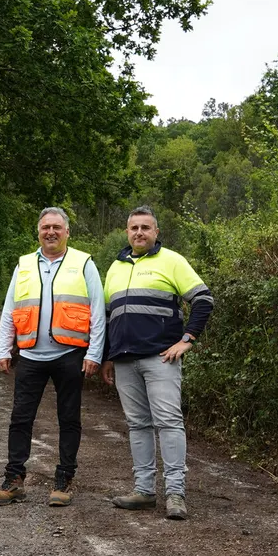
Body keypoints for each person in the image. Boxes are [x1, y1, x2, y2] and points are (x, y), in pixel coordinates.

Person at [0, 207, 105, 507]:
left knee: (69, 418)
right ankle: (14, 480)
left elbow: (98, 311)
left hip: (70, 354)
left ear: (67, 231)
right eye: (45, 227)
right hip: (30, 356)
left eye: (56, 227)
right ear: (38, 232)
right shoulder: (24, 264)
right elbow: (11, 308)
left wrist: (94, 353)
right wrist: (4, 348)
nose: (50, 232)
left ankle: (64, 479)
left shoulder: (83, 263)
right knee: (20, 419)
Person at [101, 207, 214, 520]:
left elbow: (203, 300)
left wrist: (187, 339)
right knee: (137, 424)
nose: (139, 232)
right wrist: (108, 356)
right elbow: (110, 317)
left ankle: (175, 494)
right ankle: (144, 491)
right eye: (134, 228)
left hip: (160, 357)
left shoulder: (172, 261)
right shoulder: (114, 268)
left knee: (168, 421)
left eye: (145, 228)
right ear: (127, 232)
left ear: (156, 232)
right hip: (124, 360)